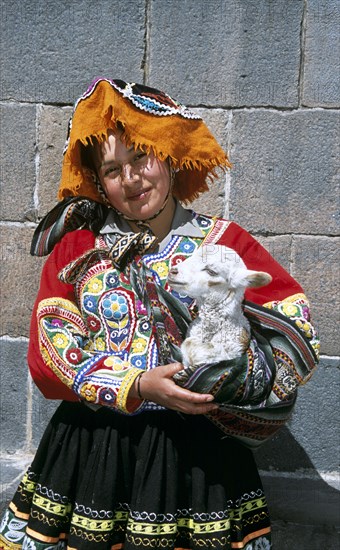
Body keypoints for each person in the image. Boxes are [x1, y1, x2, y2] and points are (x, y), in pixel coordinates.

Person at [0, 78, 319, 550]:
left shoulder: (225, 244)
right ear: (99, 182)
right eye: (112, 169)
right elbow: (48, 355)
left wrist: (233, 377)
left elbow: (295, 326)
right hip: (94, 453)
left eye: (140, 157)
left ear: (168, 154)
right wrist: (136, 384)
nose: (131, 179)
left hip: (200, 460)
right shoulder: (77, 248)